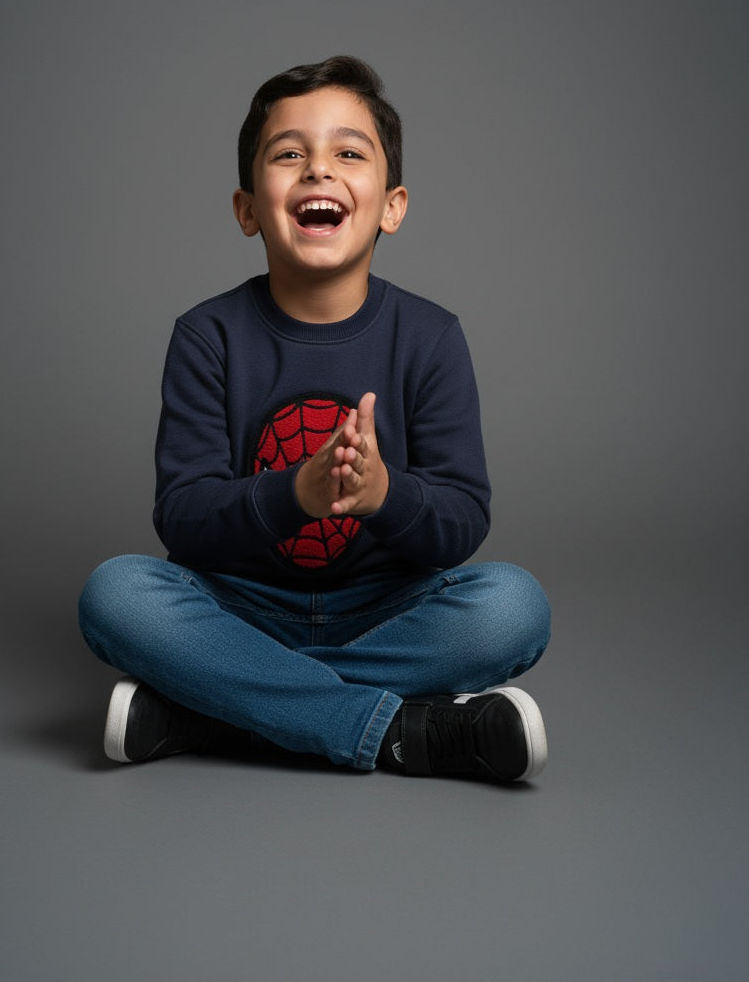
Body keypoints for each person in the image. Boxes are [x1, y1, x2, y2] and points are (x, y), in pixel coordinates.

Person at [78, 56, 551, 782]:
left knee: (513, 606)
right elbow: (183, 518)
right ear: (247, 209)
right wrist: (293, 493)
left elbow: (461, 521)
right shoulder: (209, 336)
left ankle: (216, 705)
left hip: (385, 606)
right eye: (290, 153)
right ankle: (396, 730)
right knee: (116, 594)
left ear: (391, 204)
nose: (318, 170)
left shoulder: (430, 337)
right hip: (240, 606)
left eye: (348, 153)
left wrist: (382, 495)